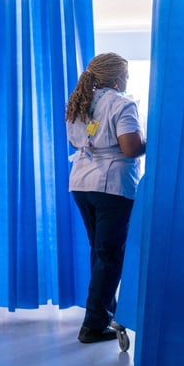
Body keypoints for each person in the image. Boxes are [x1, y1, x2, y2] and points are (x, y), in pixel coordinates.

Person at [65, 53, 146, 344]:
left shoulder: (80, 102)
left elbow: (76, 140)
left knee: (100, 253)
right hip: (112, 187)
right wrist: (156, 140)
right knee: (109, 256)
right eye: (125, 74)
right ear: (116, 77)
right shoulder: (122, 103)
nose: (127, 79)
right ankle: (94, 325)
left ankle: (103, 314)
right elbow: (130, 148)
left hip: (82, 184)